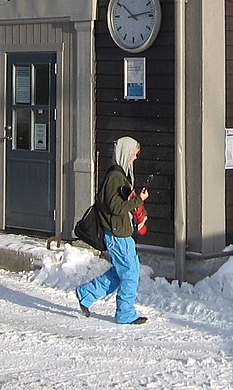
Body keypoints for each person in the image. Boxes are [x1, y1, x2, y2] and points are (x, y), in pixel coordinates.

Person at [74, 136, 149, 325]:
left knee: (121, 272)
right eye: (134, 154)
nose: (135, 158)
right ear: (125, 152)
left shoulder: (119, 175)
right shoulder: (115, 177)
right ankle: (125, 313)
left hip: (122, 233)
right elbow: (115, 207)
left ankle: (86, 294)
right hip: (117, 235)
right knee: (130, 274)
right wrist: (138, 200)